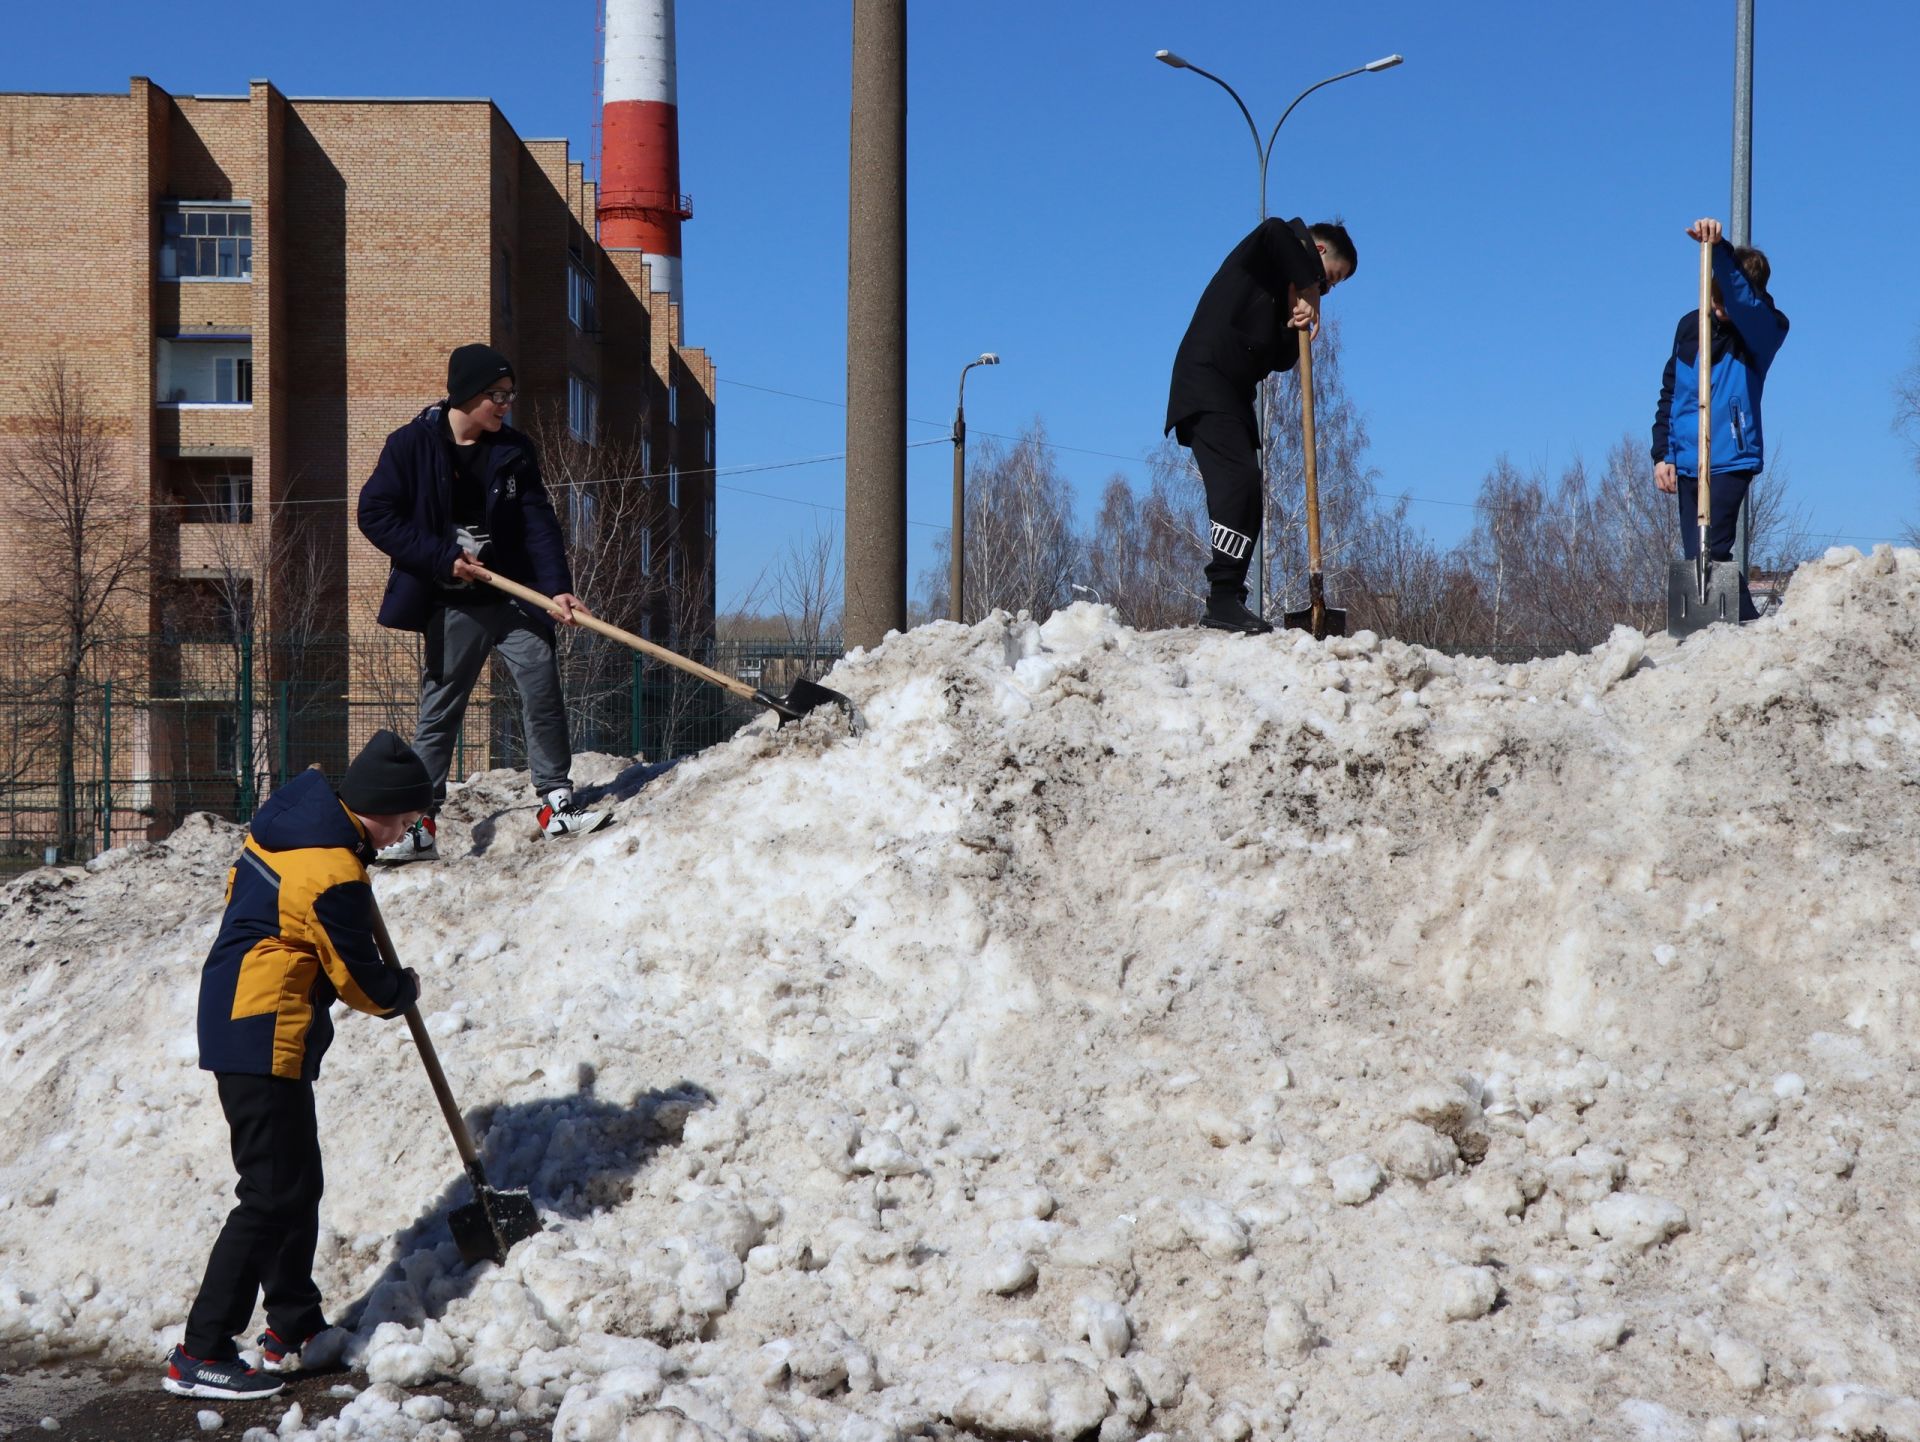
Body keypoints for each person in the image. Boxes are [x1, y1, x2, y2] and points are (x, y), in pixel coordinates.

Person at [164, 731, 430, 1400]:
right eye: (405, 819)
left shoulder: (299, 833)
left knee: (295, 1183)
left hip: (249, 1019)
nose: (408, 832)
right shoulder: (331, 869)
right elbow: (359, 983)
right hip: (262, 1030)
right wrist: (404, 990)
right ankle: (201, 1351)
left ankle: (293, 1323)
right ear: (379, 806)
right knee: (270, 1193)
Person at [358, 343, 608, 862]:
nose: (505, 404)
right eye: (497, 394)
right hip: (452, 600)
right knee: (441, 709)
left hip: (516, 594)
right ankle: (420, 823)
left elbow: (540, 524)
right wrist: (440, 557)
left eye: (509, 395)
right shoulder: (411, 446)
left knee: (542, 689)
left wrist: (557, 586)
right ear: (467, 394)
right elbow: (375, 514)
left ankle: (556, 803)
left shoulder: (514, 449)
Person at [1166, 217, 1358, 634]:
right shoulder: (1274, 247)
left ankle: (1228, 596)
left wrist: (1298, 323)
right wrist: (1310, 289)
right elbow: (1274, 231)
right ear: (1318, 251)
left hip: (1233, 396)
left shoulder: (1284, 287)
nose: (1327, 288)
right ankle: (1221, 598)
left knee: (1248, 492)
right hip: (1207, 379)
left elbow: (1281, 360)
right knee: (1237, 482)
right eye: (1332, 278)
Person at [1651, 217, 1789, 621]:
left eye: (1724, 299)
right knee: (1697, 555)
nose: (1717, 307)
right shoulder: (1691, 328)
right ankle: (1738, 625)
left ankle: (1739, 625)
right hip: (1688, 458)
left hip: (1730, 457)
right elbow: (1671, 394)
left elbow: (1744, 303)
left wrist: (1719, 248)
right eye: (1713, 298)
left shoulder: (1763, 331)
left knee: (1712, 550)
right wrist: (1664, 454)